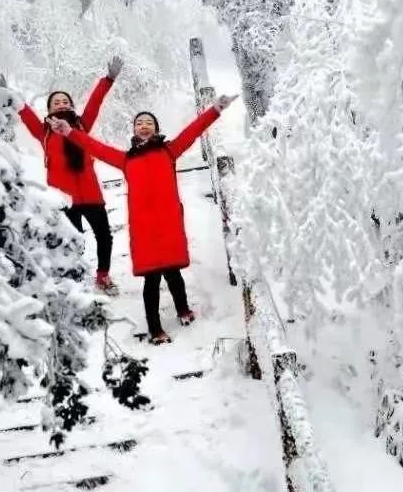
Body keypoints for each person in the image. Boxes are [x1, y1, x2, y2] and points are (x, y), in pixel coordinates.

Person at [48, 94, 238, 344]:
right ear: (134, 131)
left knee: (173, 273)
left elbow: (193, 130)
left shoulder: (170, 151)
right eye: (139, 123)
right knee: (151, 280)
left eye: (149, 122)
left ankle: (183, 310)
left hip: (168, 223)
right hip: (144, 228)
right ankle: (155, 329)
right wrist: (70, 133)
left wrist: (215, 109)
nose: (144, 125)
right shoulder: (126, 159)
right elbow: (97, 148)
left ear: (157, 129)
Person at [13, 57, 124, 295]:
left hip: (91, 193)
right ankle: (75, 282)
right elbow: (25, 112)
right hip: (63, 198)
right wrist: (9, 94)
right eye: (56, 102)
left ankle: (103, 276)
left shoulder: (81, 126)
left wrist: (108, 80)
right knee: (72, 242)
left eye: (65, 101)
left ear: (71, 106)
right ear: (50, 109)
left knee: (104, 237)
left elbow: (95, 102)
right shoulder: (43, 132)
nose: (61, 104)